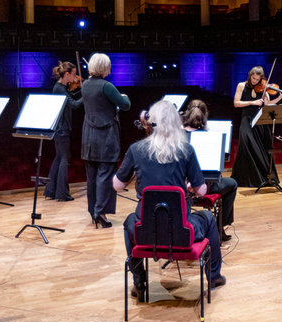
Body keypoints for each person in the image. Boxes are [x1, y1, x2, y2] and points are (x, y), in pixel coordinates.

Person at [114, 99, 226, 299]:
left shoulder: (136, 149)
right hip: (181, 230)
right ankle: (214, 275)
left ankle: (139, 282)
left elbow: (117, 185)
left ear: (151, 122)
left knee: (129, 222)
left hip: (146, 231)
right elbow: (201, 190)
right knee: (208, 218)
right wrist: (188, 186)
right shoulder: (185, 150)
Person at [81, 53, 131, 228]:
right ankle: (100, 212)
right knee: (105, 175)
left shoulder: (85, 85)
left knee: (92, 177)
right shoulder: (107, 86)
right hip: (105, 136)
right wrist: (124, 96)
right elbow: (125, 105)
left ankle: (93, 211)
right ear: (104, 67)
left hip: (88, 136)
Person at [183, 99, 238, 241]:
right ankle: (220, 227)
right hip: (203, 187)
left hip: (180, 186)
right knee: (232, 184)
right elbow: (214, 169)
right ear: (205, 114)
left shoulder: (178, 135)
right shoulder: (208, 137)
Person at [230, 66, 282, 187]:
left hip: (260, 121)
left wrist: (280, 97)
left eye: (257, 79)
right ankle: (245, 179)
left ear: (261, 79)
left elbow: (268, 104)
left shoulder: (264, 88)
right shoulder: (241, 85)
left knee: (261, 149)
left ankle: (261, 179)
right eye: (253, 78)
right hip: (246, 120)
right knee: (246, 145)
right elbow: (236, 103)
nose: (255, 81)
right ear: (250, 75)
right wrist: (252, 102)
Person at [45, 61, 84, 202]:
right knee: (64, 159)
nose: (75, 77)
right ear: (67, 74)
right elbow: (73, 104)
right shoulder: (60, 89)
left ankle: (51, 190)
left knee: (59, 157)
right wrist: (86, 94)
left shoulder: (61, 87)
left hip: (60, 128)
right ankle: (62, 193)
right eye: (73, 74)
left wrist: (81, 90)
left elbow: (71, 98)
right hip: (62, 129)